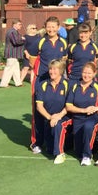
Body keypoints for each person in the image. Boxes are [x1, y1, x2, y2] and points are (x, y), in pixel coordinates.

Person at [30, 16, 68, 154]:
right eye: (48, 27)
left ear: (58, 28)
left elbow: (63, 60)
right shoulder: (40, 42)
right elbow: (32, 60)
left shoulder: (63, 42)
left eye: (53, 27)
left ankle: (55, 139)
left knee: (58, 106)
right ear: (45, 27)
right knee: (38, 111)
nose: (51, 29)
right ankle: (36, 142)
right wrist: (37, 74)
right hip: (42, 79)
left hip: (57, 79)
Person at [63, 61, 98, 166]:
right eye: (85, 72)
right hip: (78, 118)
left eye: (89, 73)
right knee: (78, 151)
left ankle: (87, 156)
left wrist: (97, 108)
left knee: (88, 127)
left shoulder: (97, 86)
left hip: (93, 117)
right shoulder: (75, 86)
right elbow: (69, 106)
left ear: (94, 74)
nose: (86, 75)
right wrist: (84, 110)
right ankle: (93, 147)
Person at [33, 59, 71, 164]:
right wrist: (50, 117)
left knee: (58, 125)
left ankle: (60, 154)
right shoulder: (43, 85)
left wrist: (58, 116)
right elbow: (39, 106)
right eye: (50, 69)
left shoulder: (68, 84)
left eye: (55, 69)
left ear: (61, 71)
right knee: (49, 150)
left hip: (64, 117)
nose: (51, 71)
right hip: (49, 119)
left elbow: (69, 105)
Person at [0, 18, 25, 88]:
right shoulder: (12, 32)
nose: (21, 26)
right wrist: (23, 40)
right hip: (11, 53)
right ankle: (3, 84)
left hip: (14, 53)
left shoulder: (14, 31)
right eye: (19, 24)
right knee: (9, 69)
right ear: (14, 25)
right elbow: (16, 42)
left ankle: (18, 83)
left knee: (16, 68)